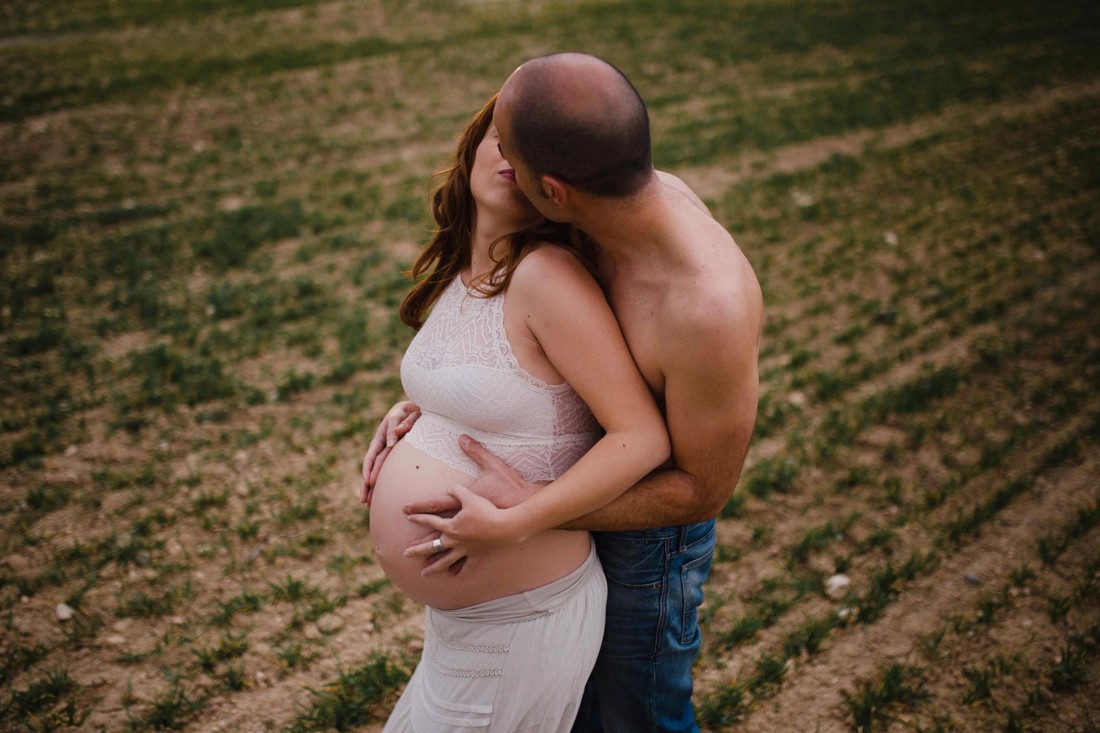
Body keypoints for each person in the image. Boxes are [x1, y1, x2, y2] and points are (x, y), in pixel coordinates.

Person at [363, 53, 763, 732]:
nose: (500, 168)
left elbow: (702, 489)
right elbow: (543, 370)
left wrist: (534, 514)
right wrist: (434, 411)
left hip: (649, 541)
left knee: (635, 719)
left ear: (552, 190)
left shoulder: (704, 307)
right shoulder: (592, 202)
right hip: (566, 507)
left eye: (511, 160)